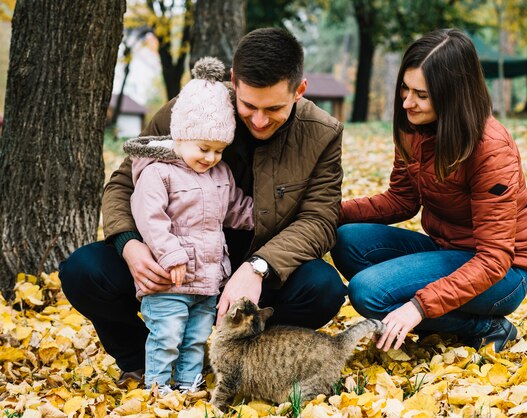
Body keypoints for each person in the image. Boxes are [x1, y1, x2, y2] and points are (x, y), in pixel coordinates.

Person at [59, 28, 347, 384]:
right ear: (233, 81)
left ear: (299, 90)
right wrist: (129, 244)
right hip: (173, 257)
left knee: (323, 288)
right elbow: (123, 184)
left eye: (273, 108)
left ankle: (249, 363)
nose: (259, 120)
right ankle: (141, 360)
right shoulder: (190, 108)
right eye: (248, 106)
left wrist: (258, 268)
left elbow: (319, 219)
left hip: (258, 256)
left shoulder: (323, 133)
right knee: (83, 270)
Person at [331, 28, 527, 354]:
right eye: (405, 88)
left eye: (422, 95)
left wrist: (418, 306)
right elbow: (401, 200)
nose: (406, 102)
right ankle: (442, 315)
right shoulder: (414, 125)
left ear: (453, 94)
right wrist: (329, 212)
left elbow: (494, 257)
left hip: (504, 274)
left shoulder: (490, 148)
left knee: (368, 292)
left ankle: (486, 327)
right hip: (446, 249)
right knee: (347, 240)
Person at [124, 57, 254, 393]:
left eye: (219, 150)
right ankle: (156, 388)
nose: (211, 157)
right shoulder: (158, 172)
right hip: (170, 279)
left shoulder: (220, 174)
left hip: (208, 280)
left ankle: (187, 384)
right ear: (180, 137)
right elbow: (150, 218)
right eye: (204, 148)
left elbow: (236, 209)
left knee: (197, 338)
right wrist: (171, 254)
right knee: (167, 335)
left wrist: (267, 216)